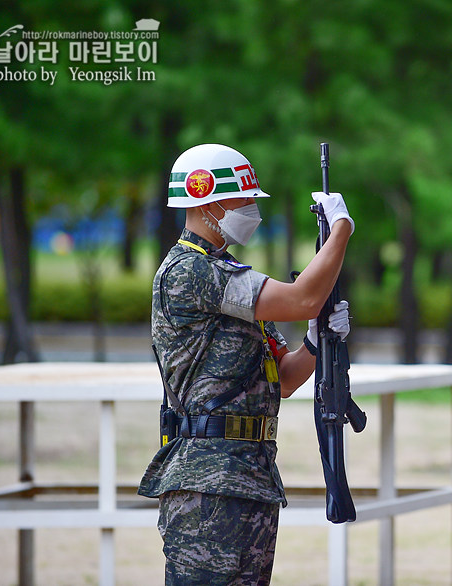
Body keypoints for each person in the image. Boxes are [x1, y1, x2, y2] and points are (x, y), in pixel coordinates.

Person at [138, 143, 354, 585]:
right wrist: (342, 231)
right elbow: (302, 298)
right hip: (207, 484)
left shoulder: (229, 274)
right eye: (246, 199)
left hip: (247, 477)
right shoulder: (189, 271)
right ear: (210, 202)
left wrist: (315, 339)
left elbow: (287, 377)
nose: (253, 210)